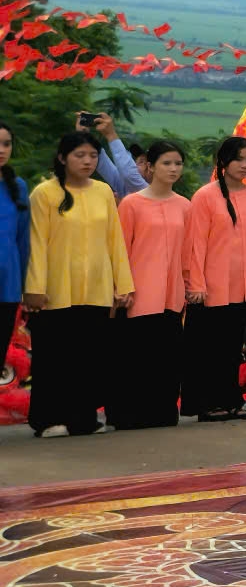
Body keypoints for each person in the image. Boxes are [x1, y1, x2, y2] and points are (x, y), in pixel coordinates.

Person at [25, 133, 135, 436]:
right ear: (62, 158)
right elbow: (36, 243)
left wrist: (122, 285)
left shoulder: (103, 192)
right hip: (55, 289)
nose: (88, 161)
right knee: (54, 357)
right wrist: (34, 287)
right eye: (80, 155)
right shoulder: (44, 193)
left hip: (96, 289)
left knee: (89, 356)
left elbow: (115, 242)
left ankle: (82, 418)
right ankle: (48, 419)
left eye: (93, 155)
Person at [182, 136, 246, 422]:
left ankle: (230, 400)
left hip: (243, 287)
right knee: (210, 348)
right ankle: (208, 403)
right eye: (239, 159)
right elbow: (195, 243)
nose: (245, 166)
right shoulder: (205, 196)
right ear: (223, 162)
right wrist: (195, 284)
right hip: (211, 287)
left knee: (232, 346)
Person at [108, 141, 191, 430]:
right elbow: (121, 250)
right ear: (150, 166)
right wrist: (121, 288)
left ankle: (162, 411)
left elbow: (188, 253)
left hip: (172, 294)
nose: (173, 169)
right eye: (166, 163)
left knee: (166, 356)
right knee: (134, 357)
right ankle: (127, 414)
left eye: (178, 163)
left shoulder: (184, 205)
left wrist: (190, 284)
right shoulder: (132, 203)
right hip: (137, 293)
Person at [0, 124, 28, 383]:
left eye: (6, 144)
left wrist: (24, 287)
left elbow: (23, 241)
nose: (2, 150)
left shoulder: (17, 187)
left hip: (7, 286)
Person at [82, 110, 146, 200]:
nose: (137, 165)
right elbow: (102, 163)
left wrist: (111, 134)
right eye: (138, 161)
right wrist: (84, 135)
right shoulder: (127, 187)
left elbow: (128, 173)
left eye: (143, 162)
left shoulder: (147, 190)